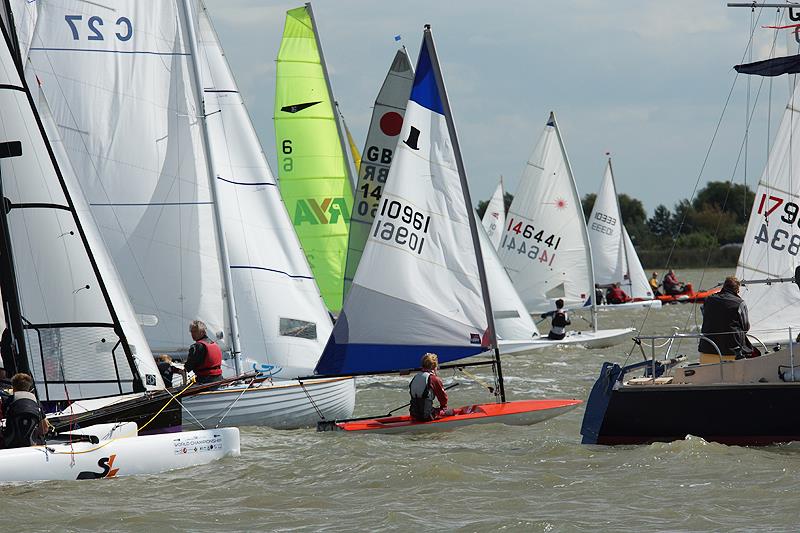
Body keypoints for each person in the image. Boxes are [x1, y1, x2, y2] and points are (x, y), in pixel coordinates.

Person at [698, 276, 758, 364]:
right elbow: (745, 327)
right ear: (737, 289)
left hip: (707, 347)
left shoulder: (708, 299)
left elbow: (705, 316)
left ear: (724, 286)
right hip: (733, 350)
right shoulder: (739, 303)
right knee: (755, 353)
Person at [2, 373, 50, 448]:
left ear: (13, 387)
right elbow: (45, 429)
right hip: (31, 444)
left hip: (10, 444)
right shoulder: (36, 402)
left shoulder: (8, 401)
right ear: (29, 387)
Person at [409, 353, 450, 421]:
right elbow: (443, 398)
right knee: (450, 412)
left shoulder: (416, 377)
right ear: (434, 366)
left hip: (414, 415)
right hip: (427, 416)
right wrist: (443, 407)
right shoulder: (433, 378)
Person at [184, 320, 223, 385]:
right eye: (191, 332)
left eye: (195, 332)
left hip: (205, 381)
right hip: (219, 379)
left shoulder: (196, 347)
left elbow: (188, 367)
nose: (192, 334)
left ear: (202, 332)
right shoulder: (215, 344)